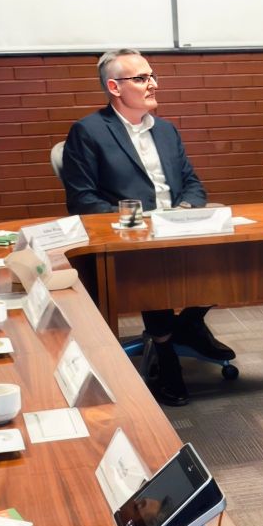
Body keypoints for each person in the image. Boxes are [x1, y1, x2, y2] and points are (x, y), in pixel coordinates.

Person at [58, 49, 235, 407]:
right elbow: (83, 200)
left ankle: (188, 323)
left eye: (152, 76)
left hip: (177, 227)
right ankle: (167, 354)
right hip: (129, 238)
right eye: (141, 78)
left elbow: (192, 184)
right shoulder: (88, 131)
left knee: (236, 253)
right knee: (153, 269)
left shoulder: (166, 130)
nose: (152, 84)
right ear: (114, 87)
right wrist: (141, 222)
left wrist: (184, 211)